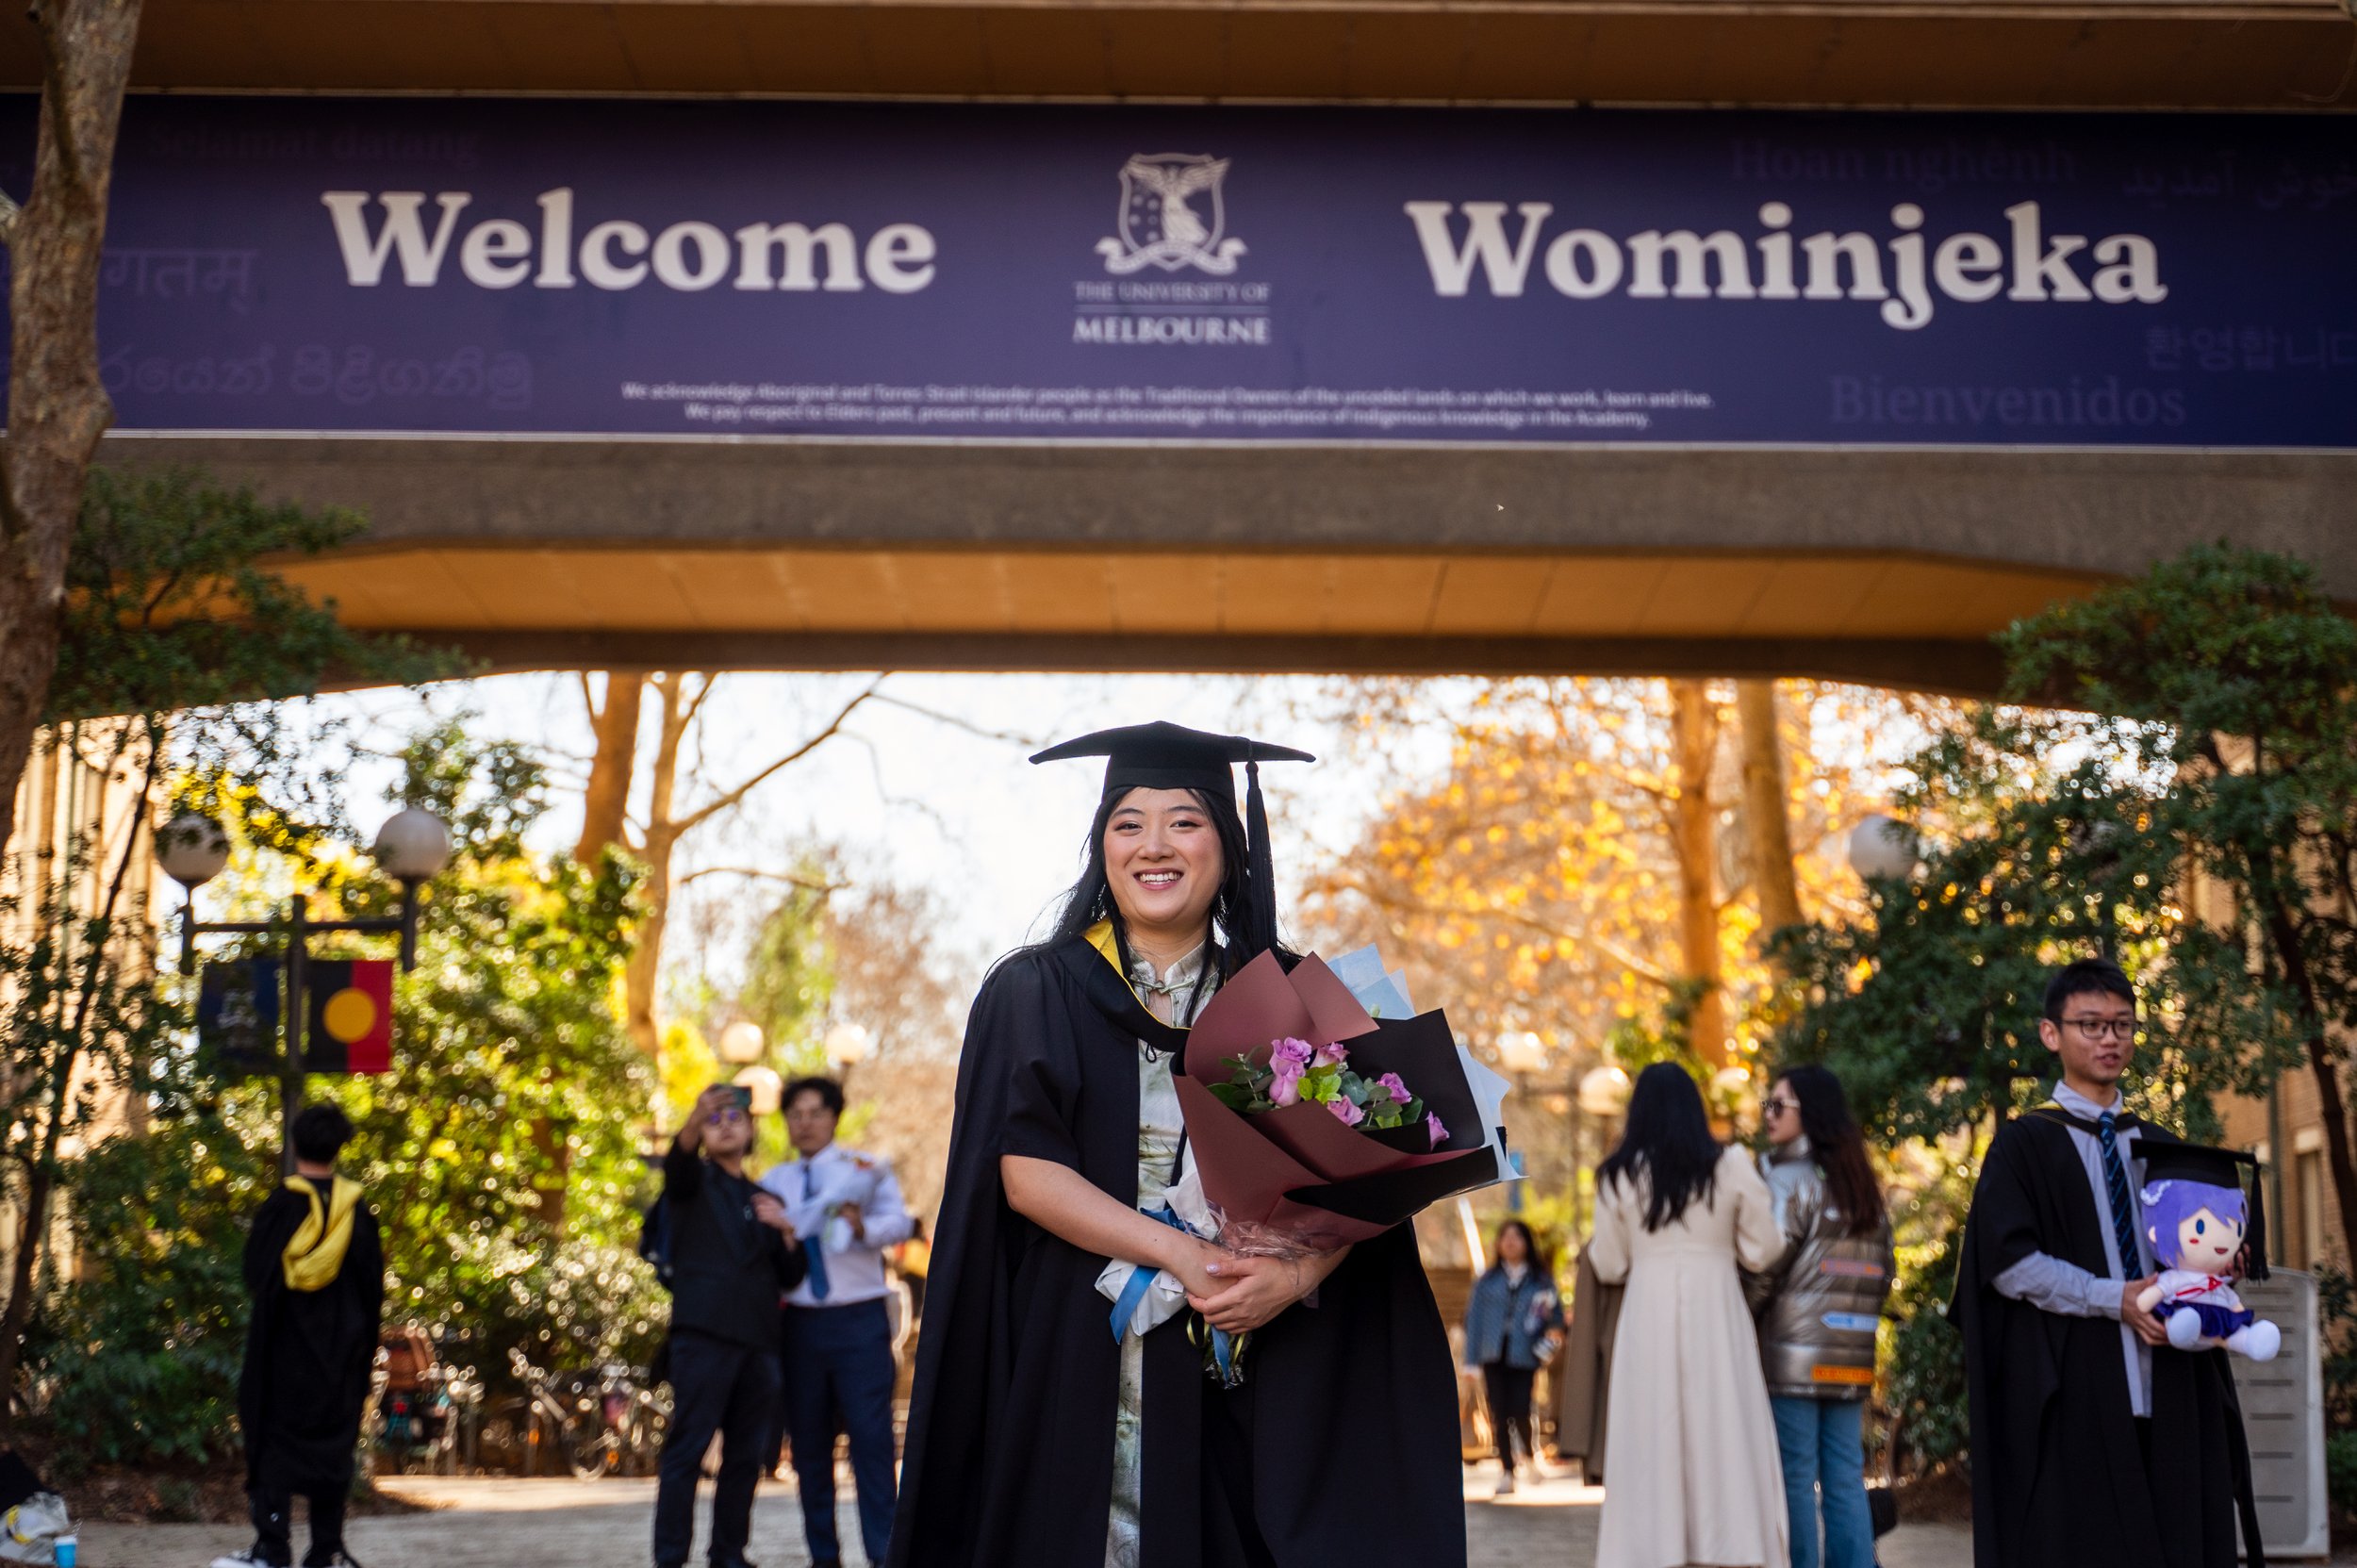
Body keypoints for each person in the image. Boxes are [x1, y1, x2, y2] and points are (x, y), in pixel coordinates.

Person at [888, 721, 1465, 1568]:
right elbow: (1023, 1171)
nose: (1154, 845)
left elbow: (1365, 1184)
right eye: (1128, 823)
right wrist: (1182, 1257)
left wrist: (1291, 1276)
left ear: (1227, 847)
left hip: (1249, 1352)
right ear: (1102, 847)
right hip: (1079, 1344)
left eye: (1185, 821)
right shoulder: (1034, 989)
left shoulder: (1289, 995)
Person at [1953, 958, 2267, 1568]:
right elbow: (2009, 1265)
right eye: (2090, 1024)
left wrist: (2225, 1263)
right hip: (2079, 1387)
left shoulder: (2166, 1145)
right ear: (2052, 1033)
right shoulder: (2024, 1145)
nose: (2108, 1038)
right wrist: (2114, 1297)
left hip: (2175, 1385)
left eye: (2121, 1025)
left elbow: (2197, 1252)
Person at [1588, 1062, 1788, 1568]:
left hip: (1647, 1308)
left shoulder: (1616, 1175)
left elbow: (1610, 1265)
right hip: (1717, 1306)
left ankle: (1653, 1548)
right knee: (1722, 1422)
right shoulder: (1732, 1163)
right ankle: (1732, 1542)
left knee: (1652, 1427)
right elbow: (1763, 1250)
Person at [212, 1103, 384, 1568]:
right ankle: (326, 1549)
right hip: (341, 1357)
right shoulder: (360, 1213)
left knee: (273, 1445)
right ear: (338, 1150)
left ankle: (272, 1546)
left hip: (282, 1353)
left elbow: (254, 1274)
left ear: (294, 1144)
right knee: (333, 1446)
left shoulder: (281, 1206)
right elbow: (373, 1290)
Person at [757, 1074, 915, 1568]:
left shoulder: (863, 1170)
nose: (804, 1123)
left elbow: (901, 1223)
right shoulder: (771, 1183)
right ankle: (823, 1556)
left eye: (814, 1113)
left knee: (871, 1441)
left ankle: (883, 1553)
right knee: (808, 1445)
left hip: (859, 1320)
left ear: (834, 1117)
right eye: (795, 1115)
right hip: (800, 1323)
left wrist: (861, 1225)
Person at [652, 1084, 807, 1568]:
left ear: (752, 1130)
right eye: (715, 1121)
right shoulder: (691, 1183)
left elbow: (792, 1276)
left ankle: (728, 1554)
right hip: (703, 1338)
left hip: (760, 1344)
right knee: (687, 1450)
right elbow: (676, 1165)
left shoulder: (766, 1198)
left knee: (745, 1458)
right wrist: (696, 1115)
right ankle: (671, 1557)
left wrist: (786, 1232)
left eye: (734, 1119)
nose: (725, 1126)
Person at [1750, 1065, 1894, 1568]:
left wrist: (1738, 1319)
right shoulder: (1863, 1184)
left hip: (1792, 1357)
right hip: (1850, 1357)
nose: (1767, 1115)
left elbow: (1762, 1266)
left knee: (1793, 1475)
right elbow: (1884, 1272)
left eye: (1777, 1106)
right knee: (1844, 1476)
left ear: (1808, 1112)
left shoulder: (1787, 1179)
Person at [1462, 1219, 1564, 1496]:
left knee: (1521, 1408)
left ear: (1527, 1243)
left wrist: (1545, 1348)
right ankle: (1507, 1469)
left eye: (1516, 1236)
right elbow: (1474, 1321)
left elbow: (1555, 1321)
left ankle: (1530, 1457)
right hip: (1492, 1355)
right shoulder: (1487, 1281)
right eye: (1504, 1236)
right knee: (1499, 1412)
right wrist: (1470, 1362)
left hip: (1525, 1356)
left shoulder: (1541, 1281)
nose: (1509, 1242)